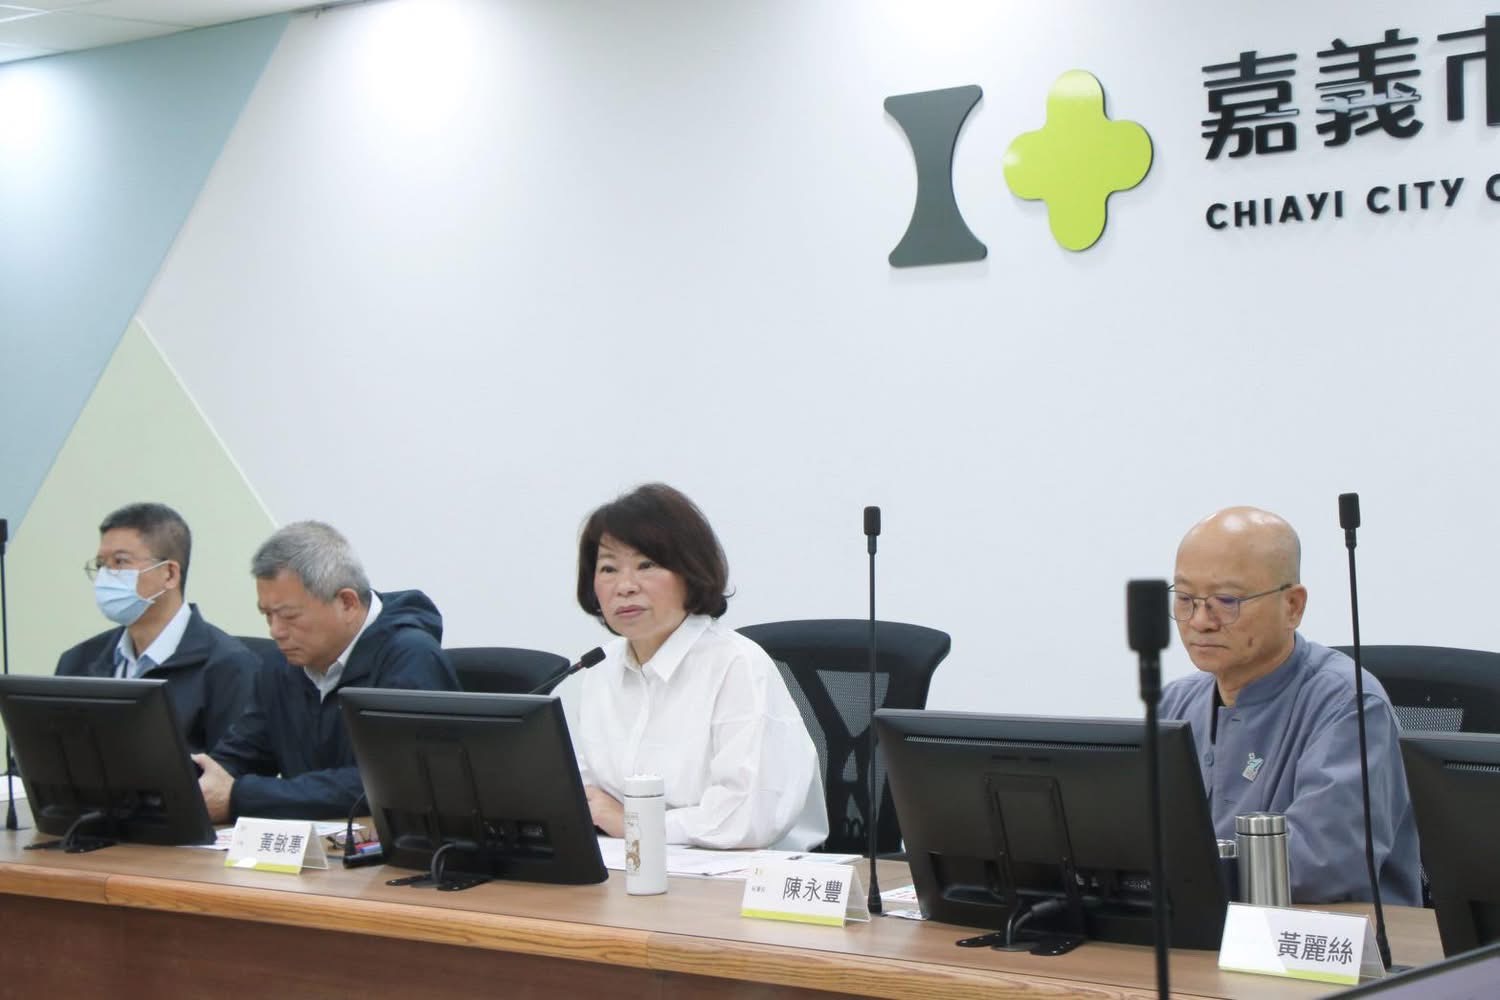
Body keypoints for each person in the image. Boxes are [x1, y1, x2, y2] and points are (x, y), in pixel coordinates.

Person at [1159, 506, 1421, 905]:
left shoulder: (1348, 706)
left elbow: (1319, 865)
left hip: (1326, 934)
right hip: (1206, 927)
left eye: (1226, 600)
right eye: (1185, 599)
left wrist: (1175, 872)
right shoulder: (1174, 704)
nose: (1200, 621)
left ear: (1292, 606)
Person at [559, 483, 826, 851]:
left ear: (690, 571)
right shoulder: (600, 670)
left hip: (745, 874)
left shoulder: (737, 665)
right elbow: (592, 797)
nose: (625, 586)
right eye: (608, 568)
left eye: (646, 565)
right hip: (635, 865)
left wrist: (634, 824)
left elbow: (748, 816)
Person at [194, 520, 457, 822]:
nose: (275, 631)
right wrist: (199, 781)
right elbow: (242, 755)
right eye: (267, 615)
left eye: (289, 616)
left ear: (347, 603)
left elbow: (392, 782)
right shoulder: (281, 665)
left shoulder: (411, 657)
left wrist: (242, 797)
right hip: (316, 844)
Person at [57, 502, 259, 754]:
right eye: (101, 565)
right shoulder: (78, 662)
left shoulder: (230, 667)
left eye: (120, 562)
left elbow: (231, 770)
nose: (105, 577)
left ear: (170, 574)